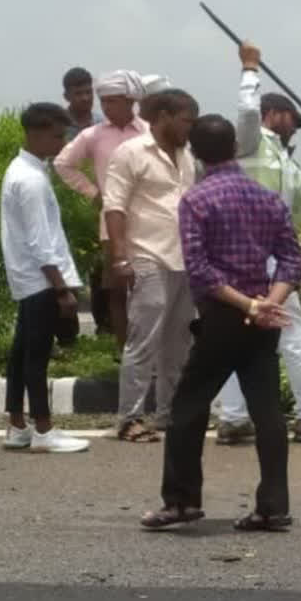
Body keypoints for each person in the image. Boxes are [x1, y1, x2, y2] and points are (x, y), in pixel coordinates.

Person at [140, 114, 301, 531]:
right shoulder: (268, 199)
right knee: (267, 412)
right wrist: (268, 302)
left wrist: (246, 305)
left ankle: (180, 500)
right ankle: (273, 505)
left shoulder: (197, 200)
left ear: (194, 151)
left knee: (188, 407)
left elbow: (200, 270)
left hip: (224, 315)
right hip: (263, 317)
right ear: (234, 148)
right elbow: (291, 260)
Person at [212, 41, 301, 446]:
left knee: (241, 337)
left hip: (265, 258)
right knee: (292, 336)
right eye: (291, 120)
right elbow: (247, 110)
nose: (294, 128)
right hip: (257, 259)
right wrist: (250, 68)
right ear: (273, 114)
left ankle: (235, 420)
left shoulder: (282, 158)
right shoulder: (248, 142)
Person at [103, 89, 198, 443]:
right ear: (163, 117)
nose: (190, 128)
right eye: (186, 120)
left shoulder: (188, 156)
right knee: (143, 341)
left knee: (179, 343)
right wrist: (119, 258)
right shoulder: (130, 153)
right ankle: (129, 418)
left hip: (183, 259)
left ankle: (168, 414)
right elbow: (114, 207)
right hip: (146, 257)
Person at [0, 104, 91, 453]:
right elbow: (40, 242)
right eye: (56, 135)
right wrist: (61, 288)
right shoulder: (31, 179)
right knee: (36, 357)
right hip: (40, 279)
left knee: (21, 354)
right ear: (35, 133)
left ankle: (16, 426)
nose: (61, 142)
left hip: (28, 277)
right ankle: (43, 430)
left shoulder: (22, 170)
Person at [54, 70, 150, 349]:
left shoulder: (148, 131)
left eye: (113, 101)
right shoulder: (93, 135)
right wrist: (93, 193)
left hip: (150, 221)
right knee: (117, 289)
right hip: (112, 223)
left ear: (130, 100)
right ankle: (123, 349)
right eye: (104, 101)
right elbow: (63, 164)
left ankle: (150, 347)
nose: (107, 107)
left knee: (149, 290)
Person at [62, 67, 102, 141]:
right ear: (66, 96)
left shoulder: (102, 124)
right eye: (78, 94)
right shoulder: (59, 127)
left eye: (88, 92)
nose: (85, 98)